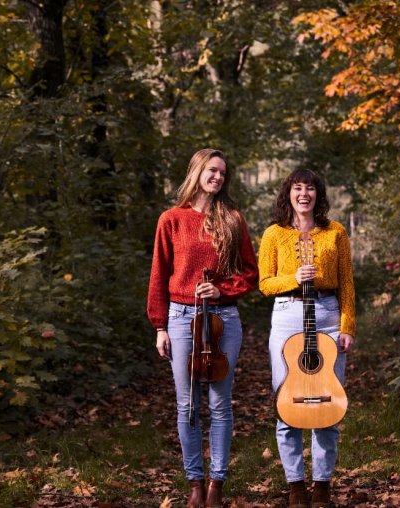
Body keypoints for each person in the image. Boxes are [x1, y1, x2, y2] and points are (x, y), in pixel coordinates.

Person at [147, 148, 258, 508]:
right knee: (188, 405)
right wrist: (160, 326)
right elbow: (159, 275)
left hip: (223, 318)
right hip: (181, 317)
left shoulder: (232, 219)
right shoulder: (171, 219)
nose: (218, 177)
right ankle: (195, 482)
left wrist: (223, 288)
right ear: (197, 171)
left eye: (223, 173)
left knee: (221, 404)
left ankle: (216, 484)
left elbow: (249, 273)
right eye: (212, 170)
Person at [257, 168, 355, 508]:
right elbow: (264, 283)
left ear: (318, 195)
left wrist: (347, 326)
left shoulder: (336, 232)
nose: (304, 194)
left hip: (326, 315)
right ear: (288, 194)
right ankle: (296, 484)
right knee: (288, 403)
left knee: (327, 402)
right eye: (298, 188)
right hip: (287, 316)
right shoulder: (273, 234)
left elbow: (346, 283)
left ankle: (323, 484)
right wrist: (292, 277)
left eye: (310, 188)